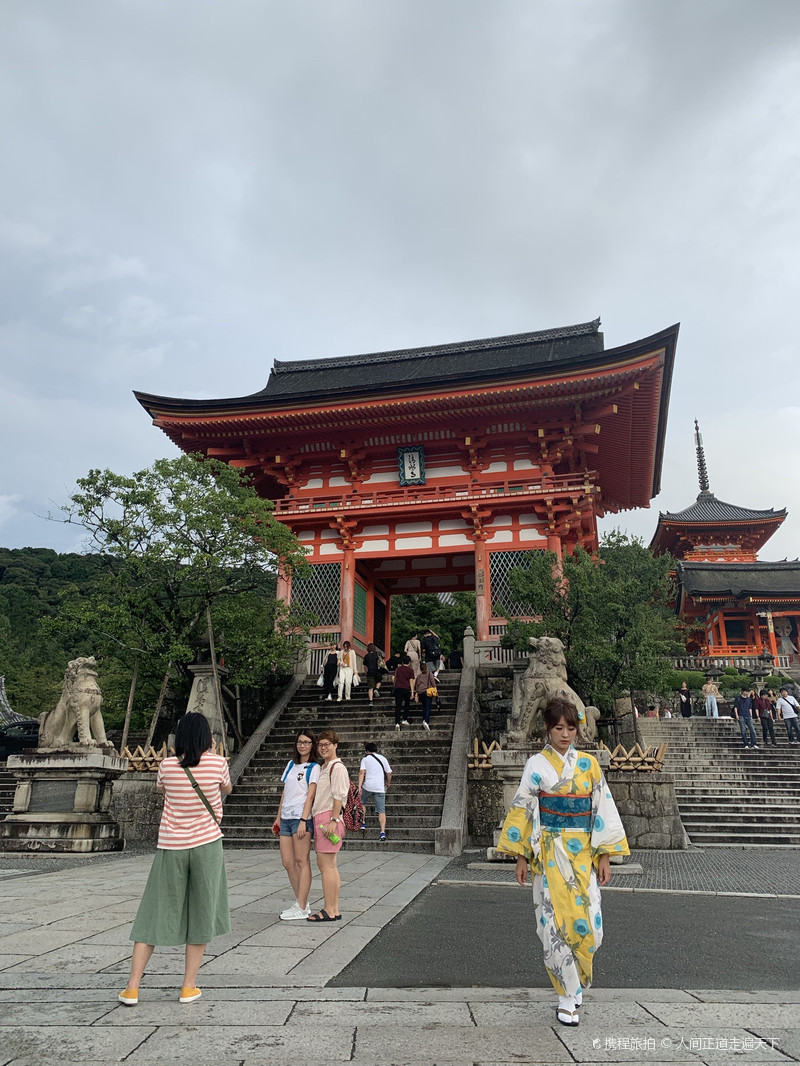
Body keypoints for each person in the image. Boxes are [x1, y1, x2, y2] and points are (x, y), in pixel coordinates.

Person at [497, 697, 629, 1028]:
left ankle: (576, 978)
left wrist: (605, 855)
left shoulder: (589, 765)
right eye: (559, 728)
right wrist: (520, 855)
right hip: (550, 854)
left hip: (583, 854)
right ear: (547, 728)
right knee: (553, 927)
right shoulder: (535, 765)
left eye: (571, 728)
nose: (566, 735)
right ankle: (566, 997)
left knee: (591, 927)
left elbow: (603, 808)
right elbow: (523, 809)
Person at [119, 712, 232, 1006]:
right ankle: (188, 986)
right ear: (208, 737)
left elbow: (164, 789)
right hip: (207, 844)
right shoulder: (219, 764)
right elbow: (226, 789)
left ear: (179, 737)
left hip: (172, 844)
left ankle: (132, 987)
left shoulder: (167, 766)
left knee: (153, 911)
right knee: (201, 912)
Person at [273, 729, 320, 920]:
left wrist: (303, 819)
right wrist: (278, 817)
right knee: (287, 862)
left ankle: (301, 905)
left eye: (307, 742)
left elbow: (310, 795)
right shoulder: (291, 765)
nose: (302, 745)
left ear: (312, 745)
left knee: (302, 861)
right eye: (300, 742)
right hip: (285, 817)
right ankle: (302, 902)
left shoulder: (314, 767)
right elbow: (285, 792)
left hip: (301, 818)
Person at [306, 729, 349, 921]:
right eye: (321, 745)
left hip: (328, 819)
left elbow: (339, 795)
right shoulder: (325, 767)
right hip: (324, 817)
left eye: (327, 744)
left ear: (335, 745)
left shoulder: (336, 767)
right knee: (330, 865)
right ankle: (333, 908)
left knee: (326, 866)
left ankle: (329, 909)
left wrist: (333, 819)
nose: (323, 748)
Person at [358, 741, 393, 842]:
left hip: (367, 786)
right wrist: (388, 783)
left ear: (367, 751)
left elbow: (362, 772)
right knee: (381, 811)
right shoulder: (383, 758)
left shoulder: (365, 759)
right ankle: (382, 832)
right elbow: (389, 773)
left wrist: (359, 786)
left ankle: (363, 822)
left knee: (362, 802)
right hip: (379, 787)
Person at [392, 653, 415, 731]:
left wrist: (394, 685)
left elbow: (394, 678)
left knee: (398, 706)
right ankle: (404, 719)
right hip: (406, 688)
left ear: (402, 662)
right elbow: (411, 681)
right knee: (407, 704)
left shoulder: (398, 669)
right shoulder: (410, 670)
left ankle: (397, 723)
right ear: (409, 662)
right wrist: (412, 692)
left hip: (398, 688)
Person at [414, 662, 435, 731]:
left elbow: (416, 685)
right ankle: (426, 721)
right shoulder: (429, 674)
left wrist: (416, 694)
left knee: (424, 706)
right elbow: (433, 682)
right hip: (427, 692)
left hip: (420, 692)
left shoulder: (419, 676)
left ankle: (424, 719)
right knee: (428, 707)